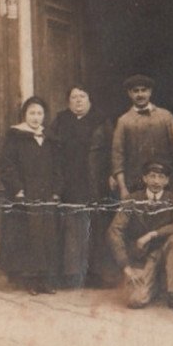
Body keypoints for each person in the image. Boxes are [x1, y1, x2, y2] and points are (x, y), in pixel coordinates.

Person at [47, 85, 115, 288]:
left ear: (90, 100)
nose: (78, 101)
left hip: (95, 180)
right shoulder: (60, 121)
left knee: (95, 226)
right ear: (68, 101)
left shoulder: (101, 121)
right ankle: (71, 273)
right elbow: (51, 150)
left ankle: (96, 274)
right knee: (72, 227)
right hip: (69, 181)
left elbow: (113, 149)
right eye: (73, 97)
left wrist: (112, 174)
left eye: (82, 97)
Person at [0, 96, 63, 295]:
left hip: (46, 194)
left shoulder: (49, 139)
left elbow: (58, 168)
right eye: (32, 113)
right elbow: (7, 166)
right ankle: (31, 281)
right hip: (26, 193)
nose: (36, 117)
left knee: (47, 236)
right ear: (24, 115)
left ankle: (45, 280)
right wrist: (17, 189)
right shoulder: (16, 136)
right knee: (29, 236)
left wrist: (57, 191)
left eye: (40, 113)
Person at [107, 161, 173, 310]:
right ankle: (155, 284)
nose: (156, 181)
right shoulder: (131, 200)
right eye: (152, 176)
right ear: (144, 179)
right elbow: (114, 231)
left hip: (165, 251)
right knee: (136, 300)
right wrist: (125, 265)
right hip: (142, 256)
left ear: (167, 181)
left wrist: (153, 234)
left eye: (161, 177)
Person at [111, 74, 173, 200]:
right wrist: (123, 188)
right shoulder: (124, 121)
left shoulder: (165, 116)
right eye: (136, 91)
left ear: (150, 92)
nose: (140, 94)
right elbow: (117, 156)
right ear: (130, 94)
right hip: (135, 183)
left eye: (144, 90)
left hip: (165, 181)